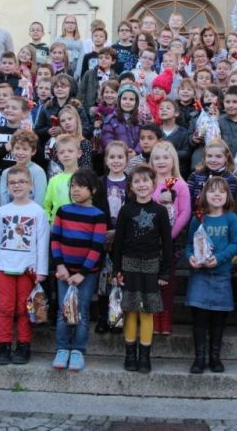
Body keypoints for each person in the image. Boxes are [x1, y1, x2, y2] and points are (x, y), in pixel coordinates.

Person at [112, 164, 174, 374]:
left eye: (145, 181)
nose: (141, 185)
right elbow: (117, 242)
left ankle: (145, 356)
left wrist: (165, 272)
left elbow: (167, 243)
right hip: (129, 264)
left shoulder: (159, 211)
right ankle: (130, 355)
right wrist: (116, 270)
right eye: (137, 181)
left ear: (153, 184)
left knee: (146, 311)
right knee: (130, 310)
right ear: (131, 185)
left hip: (151, 265)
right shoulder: (126, 210)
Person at [0, 164, 50, 365]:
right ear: (7, 186)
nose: (18, 186)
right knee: (6, 307)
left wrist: (41, 269)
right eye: (13, 183)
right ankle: (4, 345)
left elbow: (42, 242)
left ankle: (24, 345)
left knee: (24, 308)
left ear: (31, 184)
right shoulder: (2, 212)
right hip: (5, 266)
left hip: (28, 268)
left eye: (22, 182)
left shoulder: (37, 212)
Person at [50, 169, 108, 371]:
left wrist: (82, 273)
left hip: (86, 274)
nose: (75, 190)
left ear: (92, 190)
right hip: (63, 272)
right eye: (72, 186)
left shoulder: (98, 216)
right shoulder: (63, 211)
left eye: (80, 186)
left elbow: (96, 247)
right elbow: (55, 239)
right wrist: (60, 265)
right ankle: (62, 349)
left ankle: (77, 351)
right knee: (63, 311)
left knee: (81, 311)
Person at [185, 176, 237, 374]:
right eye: (212, 191)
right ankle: (199, 358)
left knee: (218, 319)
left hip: (221, 275)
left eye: (221, 191)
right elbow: (189, 244)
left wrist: (219, 258)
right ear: (204, 195)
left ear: (228, 196)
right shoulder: (198, 218)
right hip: (199, 275)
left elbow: (236, 243)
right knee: (199, 319)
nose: (217, 194)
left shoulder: (231, 218)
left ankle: (215, 357)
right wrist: (190, 257)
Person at [149, 141, 192, 335]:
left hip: (170, 242)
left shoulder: (179, 184)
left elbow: (184, 212)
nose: (161, 161)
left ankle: (165, 317)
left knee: (167, 280)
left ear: (173, 159)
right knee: (150, 280)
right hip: (147, 241)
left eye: (165, 157)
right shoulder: (148, 182)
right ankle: (153, 316)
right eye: (156, 158)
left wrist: (168, 236)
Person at [93, 140, 129, 334]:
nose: (116, 161)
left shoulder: (132, 182)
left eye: (120, 157)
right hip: (102, 237)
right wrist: (104, 233)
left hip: (123, 240)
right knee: (103, 280)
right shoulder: (99, 183)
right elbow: (95, 210)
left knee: (119, 279)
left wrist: (117, 233)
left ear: (126, 159)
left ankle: (117, 318)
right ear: (106, 160)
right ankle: (102, 317)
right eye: (112, 157)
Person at [187, 139, 237, 210]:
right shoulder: (195, 176)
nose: (213, 160)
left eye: (218, 156)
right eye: (209, 156)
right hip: (196, 217)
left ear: (226, 158)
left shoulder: (231, 179)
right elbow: (187, 200)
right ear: (204, 157)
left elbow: (229, 204)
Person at [0, 130, 47, 206]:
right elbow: (3, 202)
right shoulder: (6, 173)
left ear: (33, 151)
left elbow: (39, 201)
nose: (20, 153)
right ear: (12, 150)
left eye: (25, 149)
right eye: (17, 148)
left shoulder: (38, 172)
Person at [43, 134, 81, 224]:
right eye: (62, 152)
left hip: (79, 226)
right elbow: (46, 205)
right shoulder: (54, 180)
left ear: (79, 153)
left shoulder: (86, 178)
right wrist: (50, 222)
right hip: (58, 228)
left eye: (70, 151)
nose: (66, 154)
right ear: (57, 155)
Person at [0, 96, 30, 170]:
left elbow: (36, 157)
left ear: (24, 114)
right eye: (7, 107)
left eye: (14, 108)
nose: (9, 110)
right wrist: (5, 148)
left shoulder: (28, 134)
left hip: (22, 175)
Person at [101, 84, 142, 155]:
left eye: (131, 99)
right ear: (119, 100)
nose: (127, 102)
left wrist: (136, 151)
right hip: (117, 157)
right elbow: (106, 140)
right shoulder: (111, 120)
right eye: (124, 99)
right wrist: (121, 152)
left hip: (135, 158)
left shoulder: (140, 121)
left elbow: (143, 139)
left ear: (136, 102)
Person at [159, 99, 191, 178]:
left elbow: (186, 153)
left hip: (176, 172)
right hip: (158, 171)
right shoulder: (156, 131)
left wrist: (169, 153)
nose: (164, 110)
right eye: (161, 108)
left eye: (168, 108)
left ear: (176, 113)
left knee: (171, 190)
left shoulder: (183, 132)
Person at [79, 47, 117, 112]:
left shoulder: (116, 78)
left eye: (107, 58)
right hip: (89, 109)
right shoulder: (89, 74)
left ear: (113, 61)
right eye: (100, 58)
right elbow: (81, 92)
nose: (103, 60)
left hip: (108, 111)